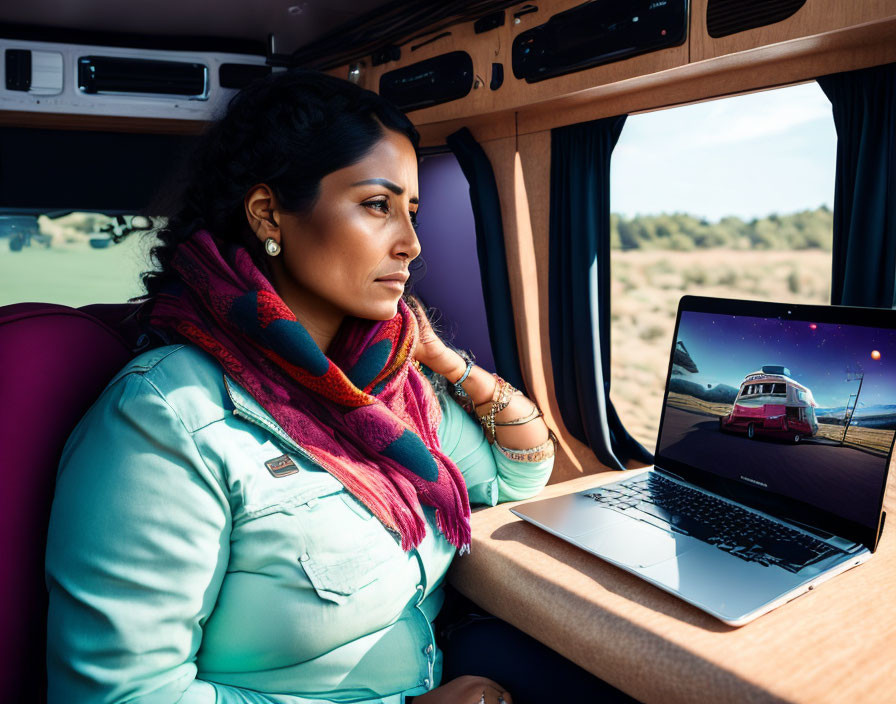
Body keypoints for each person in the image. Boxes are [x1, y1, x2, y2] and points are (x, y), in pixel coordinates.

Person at [45, 70, 555, 704]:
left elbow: (518, 474)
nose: (412, 244)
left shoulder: (388, 385)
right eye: (378, 205)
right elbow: (125, 696)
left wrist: (446, 361)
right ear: (269, 215)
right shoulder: (166, 418)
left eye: (413, 211)